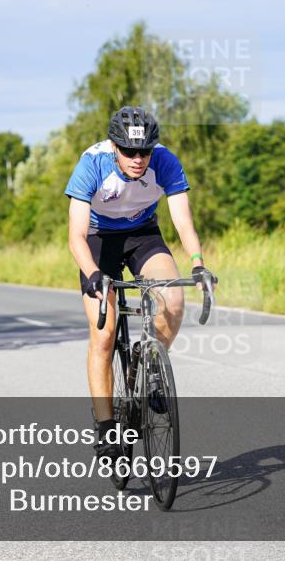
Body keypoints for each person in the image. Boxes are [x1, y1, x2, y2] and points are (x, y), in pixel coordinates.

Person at [65, 106, 216, 459]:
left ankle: (146, 364)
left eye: (144, 151)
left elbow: (183, 221)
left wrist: (198, 264)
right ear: (114, 146)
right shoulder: (92, 163)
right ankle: (104, 427)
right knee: (103, 334)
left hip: (143, 235)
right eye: (129, 151)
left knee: (174, 301)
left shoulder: (164, 161)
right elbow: (76, 234)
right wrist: (92, 274)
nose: (137, 158)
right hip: (99, 240)